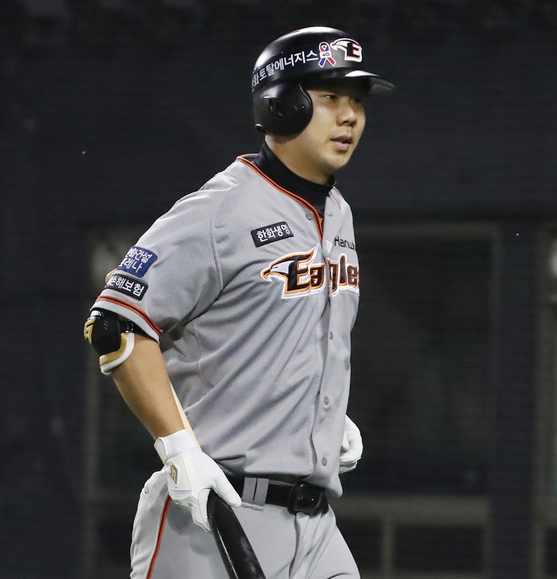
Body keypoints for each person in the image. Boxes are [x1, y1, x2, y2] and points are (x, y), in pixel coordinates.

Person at [83, 26, 393, 579]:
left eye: (358, 102)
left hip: (316, 524)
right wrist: (178, 450)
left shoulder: (338, 213)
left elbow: (274, 334)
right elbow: (115, 325)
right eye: (330, 97)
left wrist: (311, 413)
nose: (350, 116)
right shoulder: (222, 209)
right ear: (282, 104)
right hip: (216, 511)